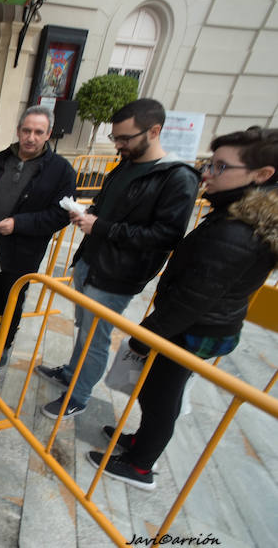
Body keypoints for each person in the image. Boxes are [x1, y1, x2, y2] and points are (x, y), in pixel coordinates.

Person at [87, 128, 277, 490]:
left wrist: (146, 337)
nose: (207, 173)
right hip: (194, 323)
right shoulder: (235, 217)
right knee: (155, 391)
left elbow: (194, 297)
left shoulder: (237, 231)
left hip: (194, 329)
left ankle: (140, 466)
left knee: (161, 397)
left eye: (220, 167)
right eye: (210, 163)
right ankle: (142, 441)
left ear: (262, 175)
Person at [35, 99, 200, 420]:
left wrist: (102, 226)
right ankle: (72, 372)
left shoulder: (177, 177)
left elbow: (165, 236)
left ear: (154, 131)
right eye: (116, 138)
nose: (119, 145)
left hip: (117, 276)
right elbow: (106, 205)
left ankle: (78, 395)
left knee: (95, 337)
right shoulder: (126, 163)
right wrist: (89, 214)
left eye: (125, 138)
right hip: (90, 263)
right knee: (84, 328)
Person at [0, 105, 76, 365]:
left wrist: (19, 223)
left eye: (38, 132)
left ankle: (4, 342)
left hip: (25, 248)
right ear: (18, 131)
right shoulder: (1, 158)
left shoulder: (61, 170)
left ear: (48, 134)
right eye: (26, 130)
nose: (31, 137)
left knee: (13, 295)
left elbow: (60, 214)